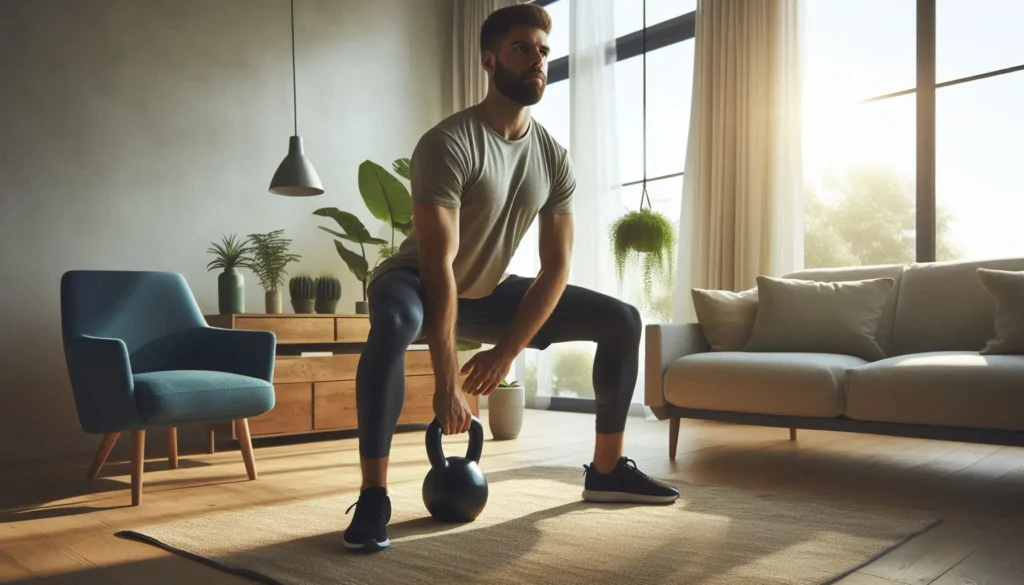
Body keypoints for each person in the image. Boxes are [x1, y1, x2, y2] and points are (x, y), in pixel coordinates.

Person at [342, 4, 679, 552]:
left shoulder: (553, 157)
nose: (538, 61)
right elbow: (437, 265)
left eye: (544, 51)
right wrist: (447, 380)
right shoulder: (449, 142)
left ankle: (608, 469)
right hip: (415, 283)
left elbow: (557, 266)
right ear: (489, 60)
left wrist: (504, 354)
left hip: (487, 290)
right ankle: (375, 495)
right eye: (523, 48)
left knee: (621, 320)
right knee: (396, 322)